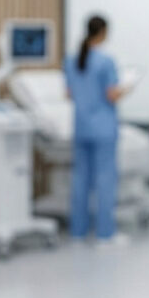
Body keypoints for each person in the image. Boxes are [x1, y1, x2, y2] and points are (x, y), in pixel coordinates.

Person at [64, 15, 129, 244]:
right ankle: (105, 233)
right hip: (103, 129)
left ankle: (78, 231)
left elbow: (69, 93)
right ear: (103, 33)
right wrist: (126, 88)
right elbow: (111, 94)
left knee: (80, 179)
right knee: (105, 180)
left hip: (81, 127)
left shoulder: (71, 60)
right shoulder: (105, 61)